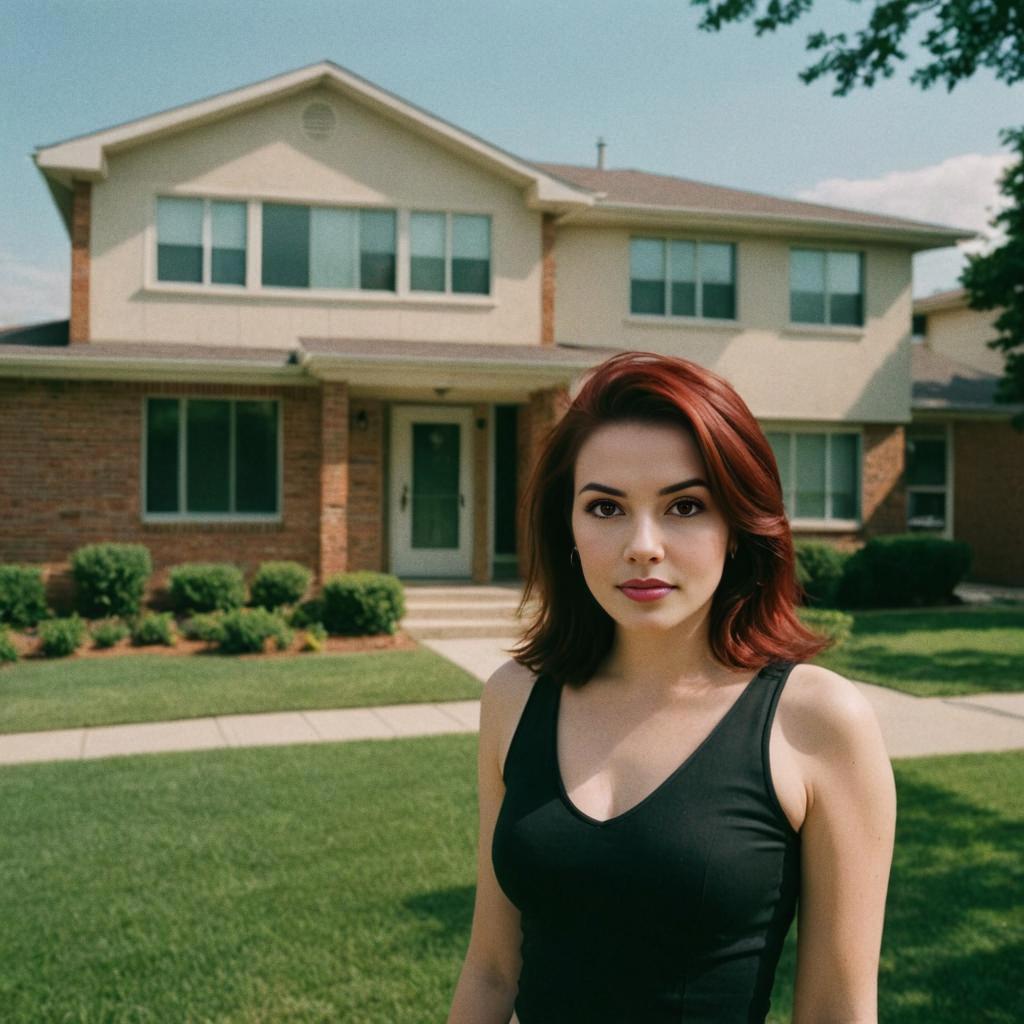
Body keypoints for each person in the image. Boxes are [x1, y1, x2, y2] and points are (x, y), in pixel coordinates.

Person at [447, 351, 897, 1024]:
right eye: (606, 507)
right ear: (566, 526)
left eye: (684, 505)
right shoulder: (513, 699)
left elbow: (837, 1011)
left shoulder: (818, 722)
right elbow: (490, 972)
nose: (643, 545)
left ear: (738, 527)